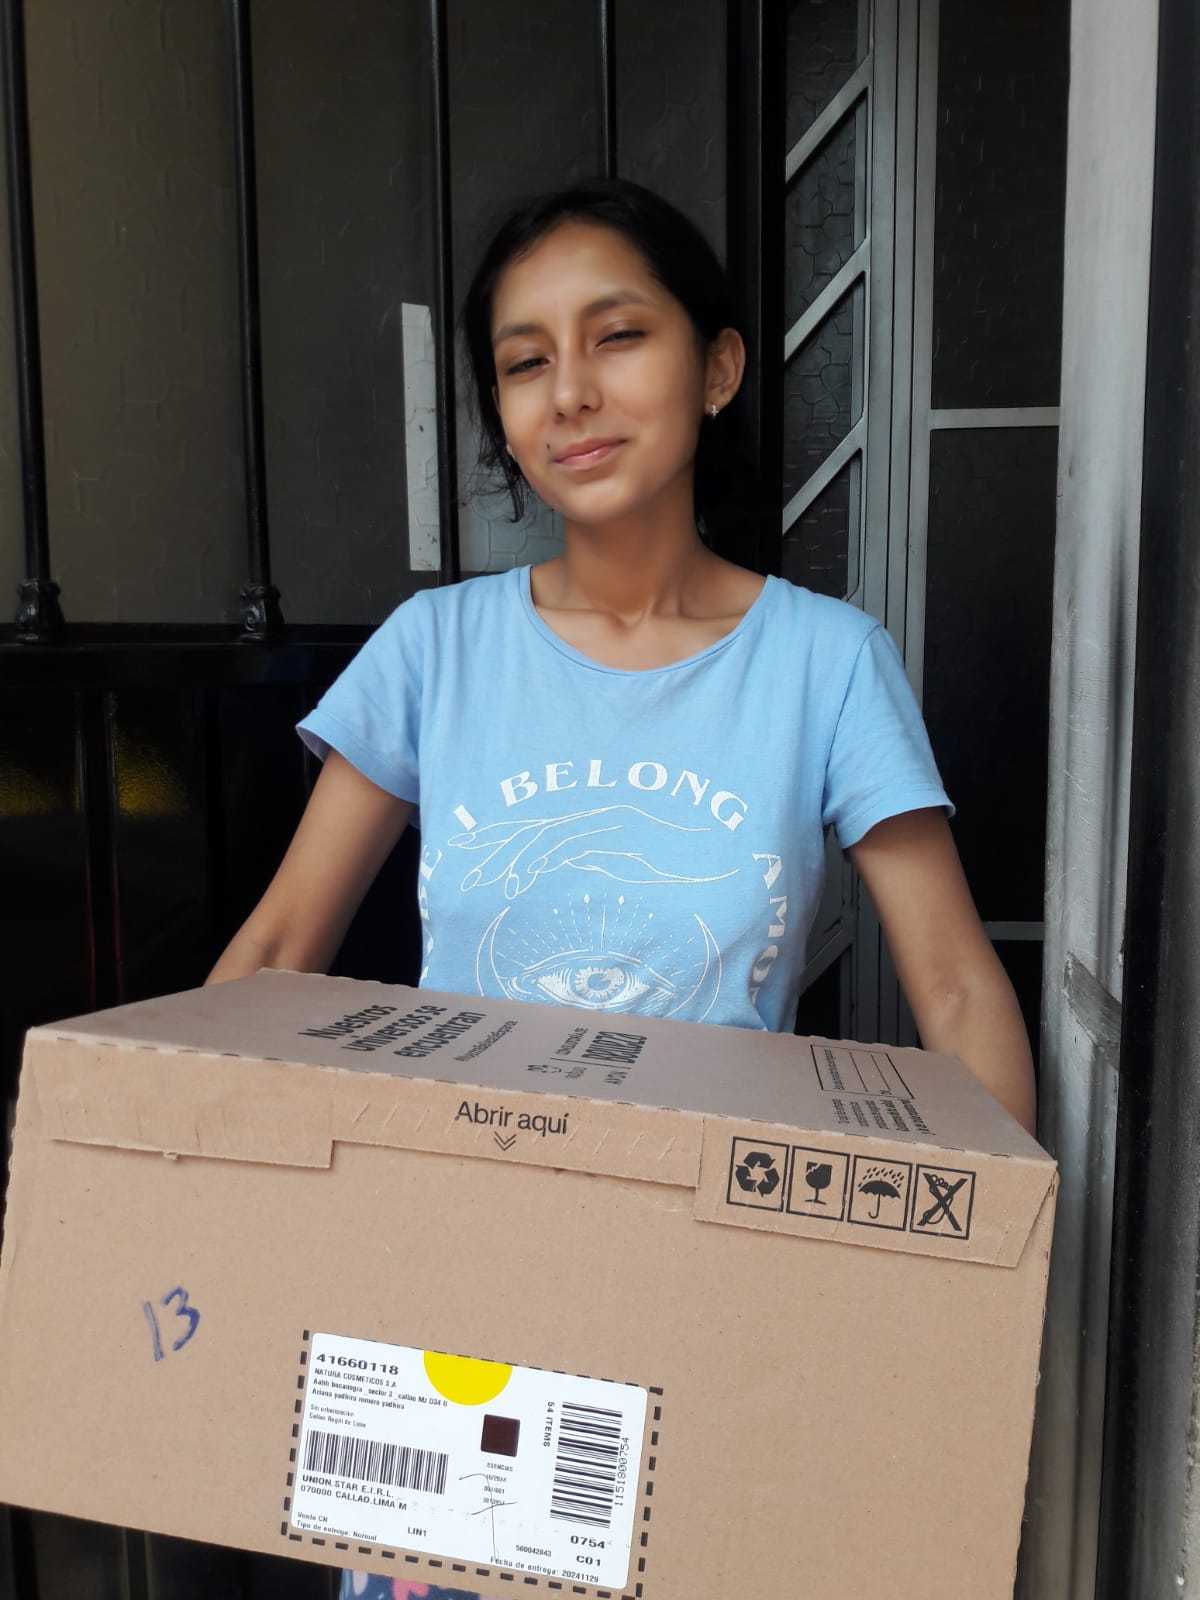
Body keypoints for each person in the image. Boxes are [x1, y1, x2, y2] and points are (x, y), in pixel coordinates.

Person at [206, 178, 1036, 1600]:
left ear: (717, 367)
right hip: (447, 1302)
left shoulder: (826, 664)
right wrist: (189, 1182)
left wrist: (970, 1291)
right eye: (526, 361)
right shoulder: (437, 648)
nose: (573, 393)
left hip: (717, 1293)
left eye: (619, 336)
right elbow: (282, 946)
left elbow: (955, 992)